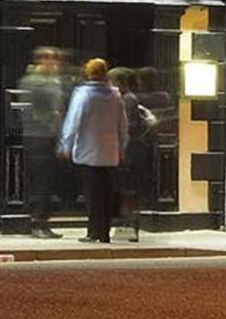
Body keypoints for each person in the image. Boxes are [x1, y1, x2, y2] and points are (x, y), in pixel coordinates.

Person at [59, 56, 130, 243]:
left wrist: (66, 144)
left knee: (92, 194)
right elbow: (123, 125)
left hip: (89, 149)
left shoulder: (84, 95)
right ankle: (105, 233)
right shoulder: (116, 95)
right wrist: (122, 146)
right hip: (110, 151)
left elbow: (73, 121)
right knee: (107, 193)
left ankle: (93, 232)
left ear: (89, 73)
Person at [18, 47, 67, 238]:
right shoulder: (34, 82)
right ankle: (37, 223)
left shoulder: (52, 81)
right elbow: (30, 110)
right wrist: (50, 121)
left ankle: (41, 221)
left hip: (49, 136)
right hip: (38, 136)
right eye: (49, 58)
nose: (54, 63)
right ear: (40, 60)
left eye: (55, 59)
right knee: (41, 181)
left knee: (46, 181)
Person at [108, 66, 146, 242]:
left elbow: (128, 125)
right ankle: (125, 224)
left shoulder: (128, 99)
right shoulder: (123, 98)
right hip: (123, 148)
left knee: (127, 190)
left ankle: (130, 226)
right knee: (123, 189)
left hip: (127, 150)